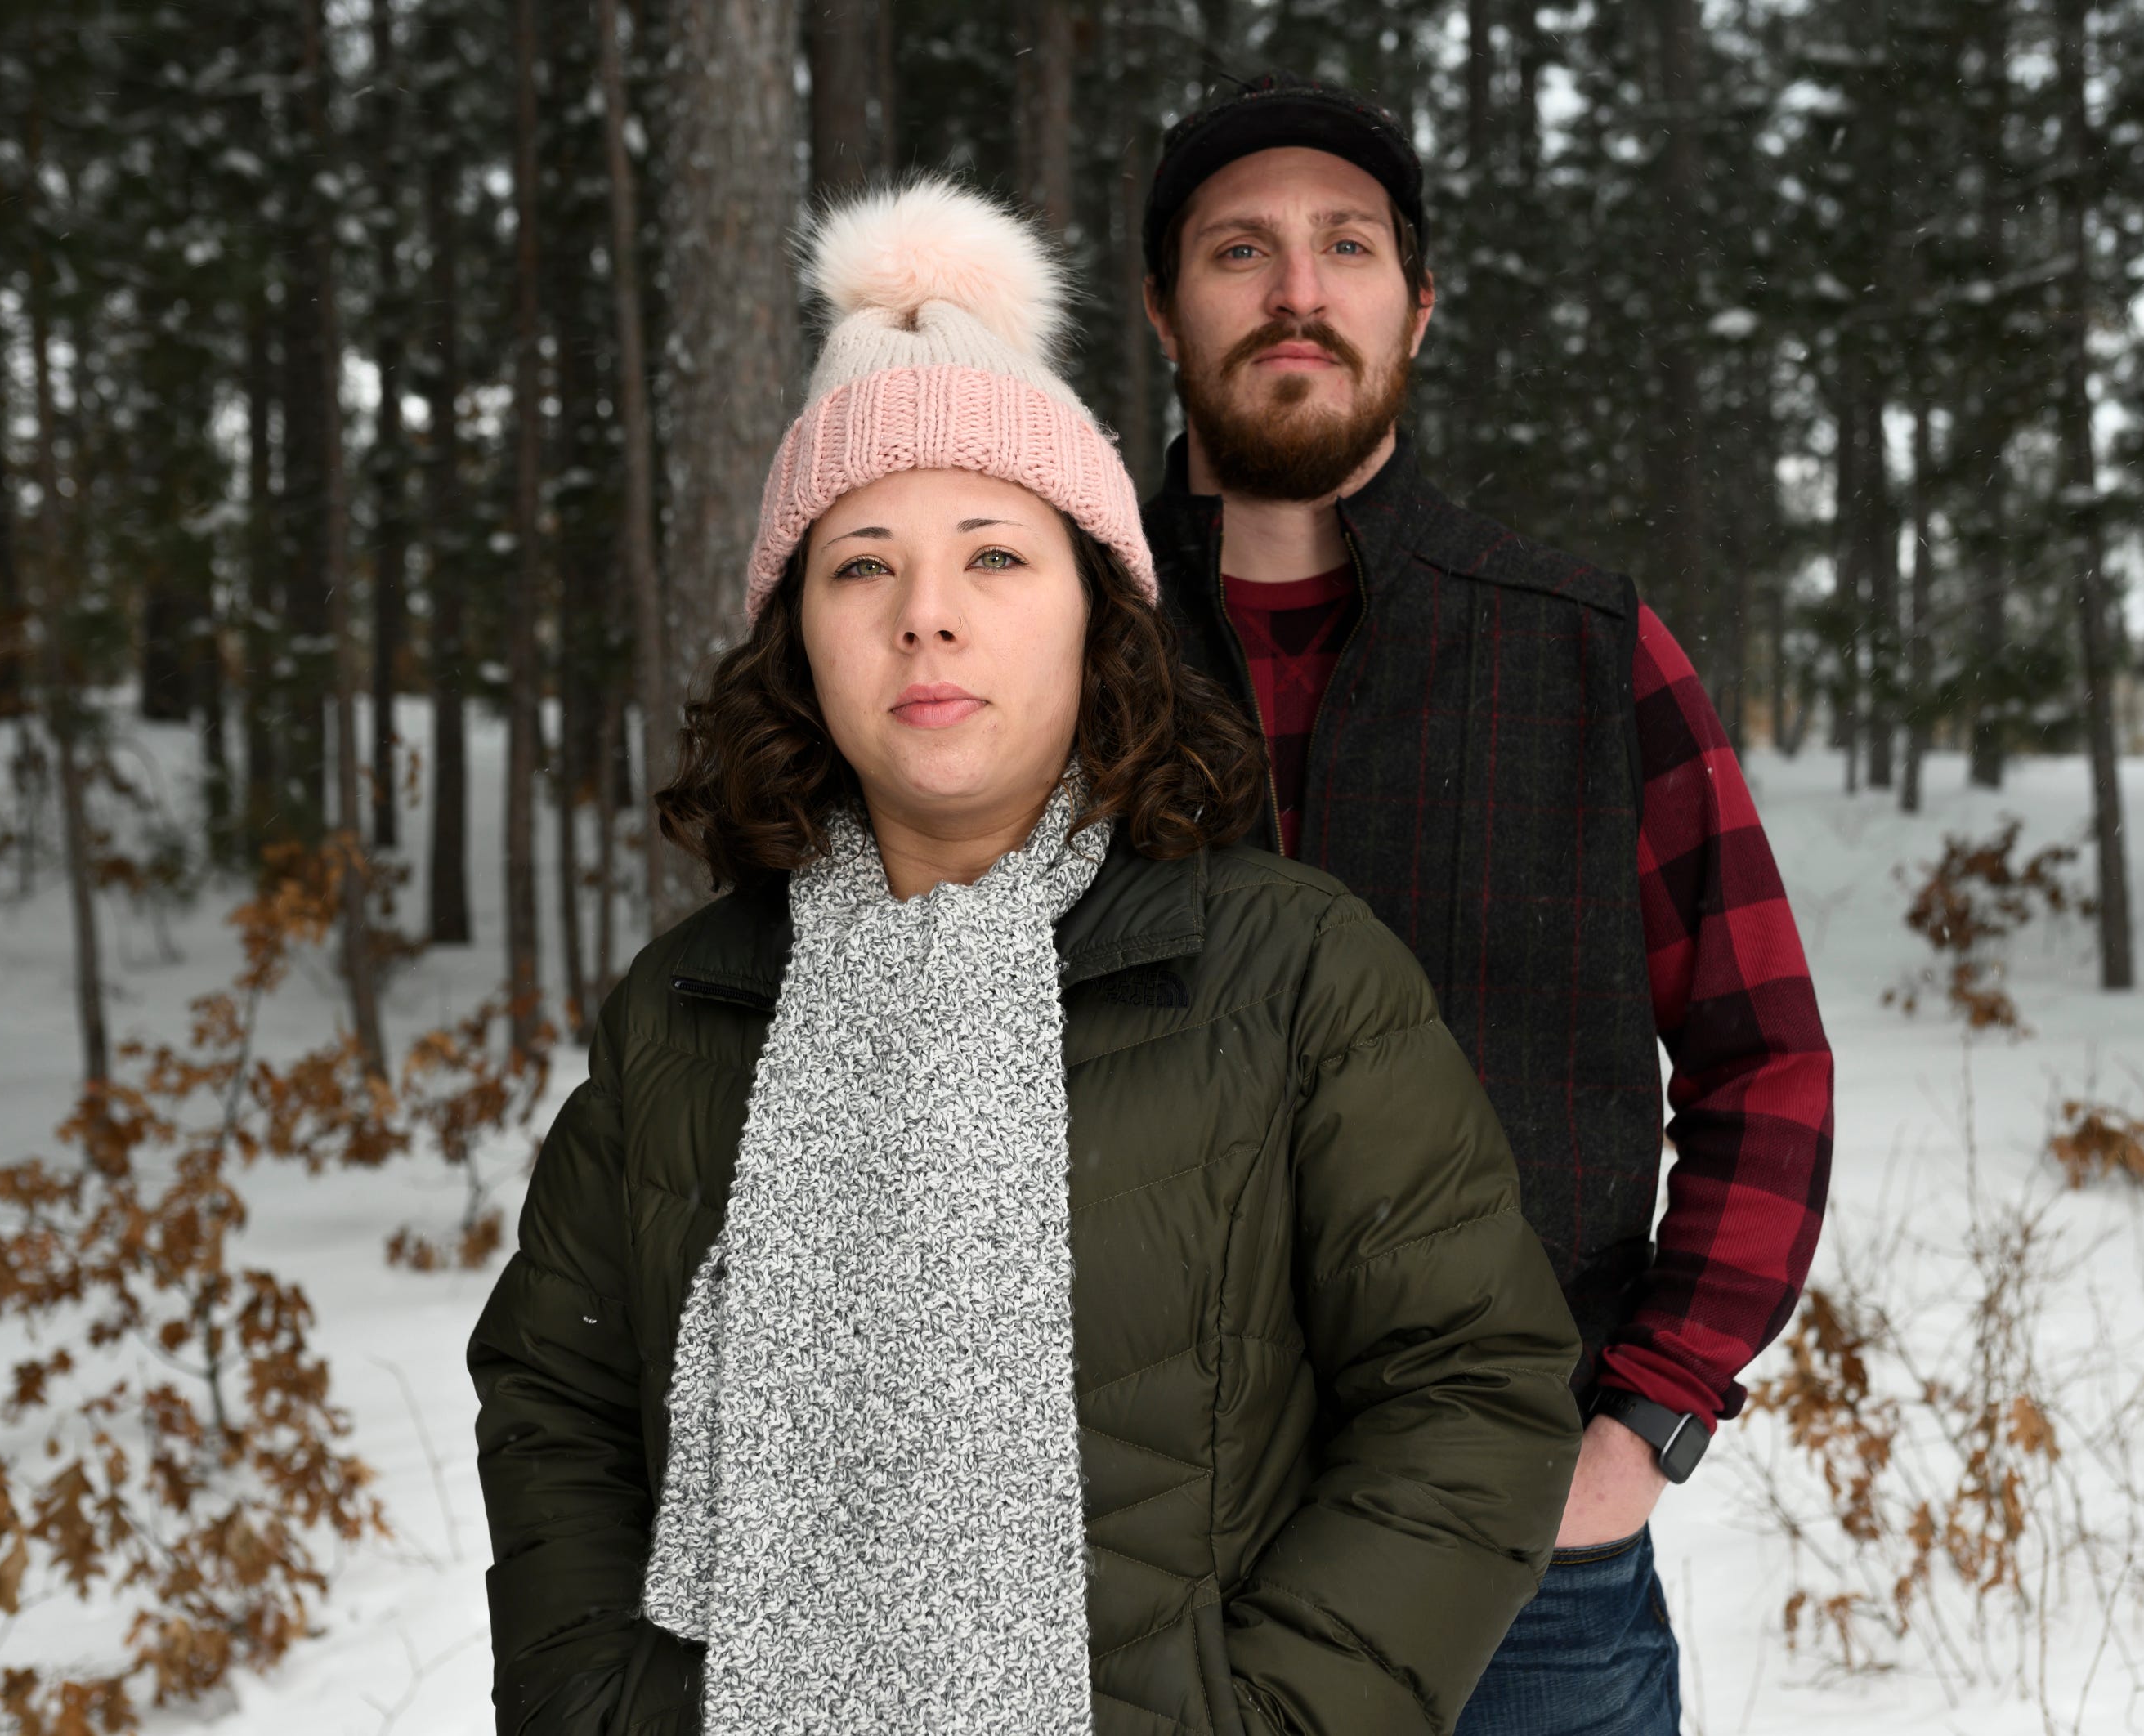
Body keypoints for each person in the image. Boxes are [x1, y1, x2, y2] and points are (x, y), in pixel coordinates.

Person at [468, 177, 1585, 1736]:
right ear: (798, 636)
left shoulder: (1292, 971)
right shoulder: (691, 1005)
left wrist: (1270, 1718)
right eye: (861, 566)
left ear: (1095, 620)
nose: (928, 618)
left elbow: (1471, 1389)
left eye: (996, 558)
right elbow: (559, 1396)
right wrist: (607, 1704)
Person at [1132, 75, 1839, 1736]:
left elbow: (1768, 1065)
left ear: (1416, 308)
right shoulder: (1042, 645)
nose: (1297, 287)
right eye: (1241, 249)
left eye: (1347, 245)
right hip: (1137, 1563)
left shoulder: (1584, 651)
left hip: (1523, 1569)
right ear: (1165, 309)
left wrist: (1646, 1423)